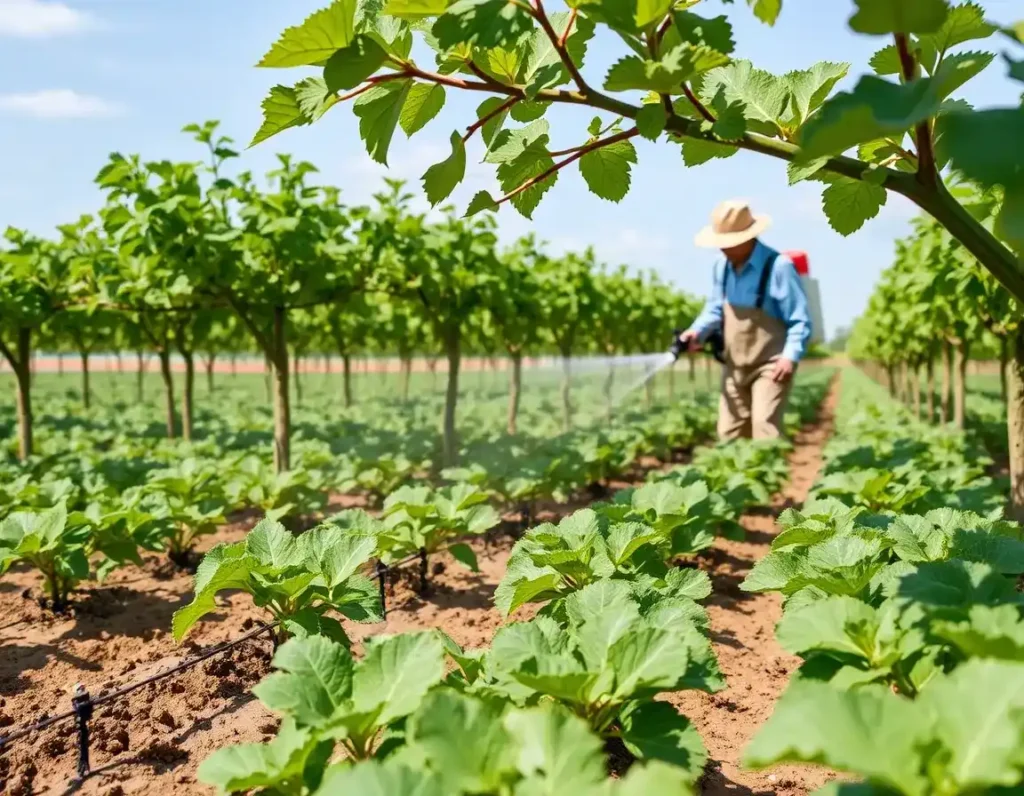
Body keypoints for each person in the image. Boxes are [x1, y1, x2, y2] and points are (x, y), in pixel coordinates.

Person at [679, 199, 811, 440]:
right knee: (728, 433)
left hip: (771, 365)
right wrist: (696, 332)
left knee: (764, 427)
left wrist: (789, 358)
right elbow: (715, 308)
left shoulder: (778, 266)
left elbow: (799, 319)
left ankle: (767, 475)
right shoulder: (722, 266)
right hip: (734, 364)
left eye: (727, 244)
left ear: (746, 239)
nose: (722, 249)